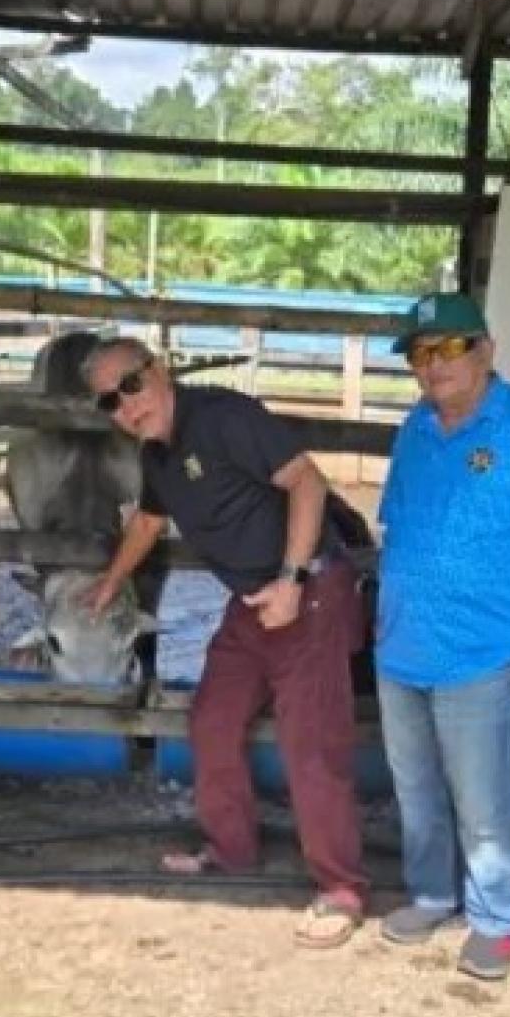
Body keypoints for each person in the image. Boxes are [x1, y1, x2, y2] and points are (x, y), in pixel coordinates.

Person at [82, 336, 370, 949]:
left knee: (310, 741)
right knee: (212, 719)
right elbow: (150, 522)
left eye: (131, 386)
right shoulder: (157, 453)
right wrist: (112, 581)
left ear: (159, 371)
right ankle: (231, 849)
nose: (127, 406)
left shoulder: (224, 418)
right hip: (250, 604)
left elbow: (309, 484)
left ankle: (341, 888)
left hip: (309, 589)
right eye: (110, 401)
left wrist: (292, 580)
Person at [372, 292, 510, 981]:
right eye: (419, 353)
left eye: (447, 348)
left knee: (485, 796)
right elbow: (396, 522)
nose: (431, 366)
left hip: (487, 647)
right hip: (402, 644)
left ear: (486, 350)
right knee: (415, 788)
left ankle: (497, 917)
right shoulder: (415, 426)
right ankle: (433, 893)